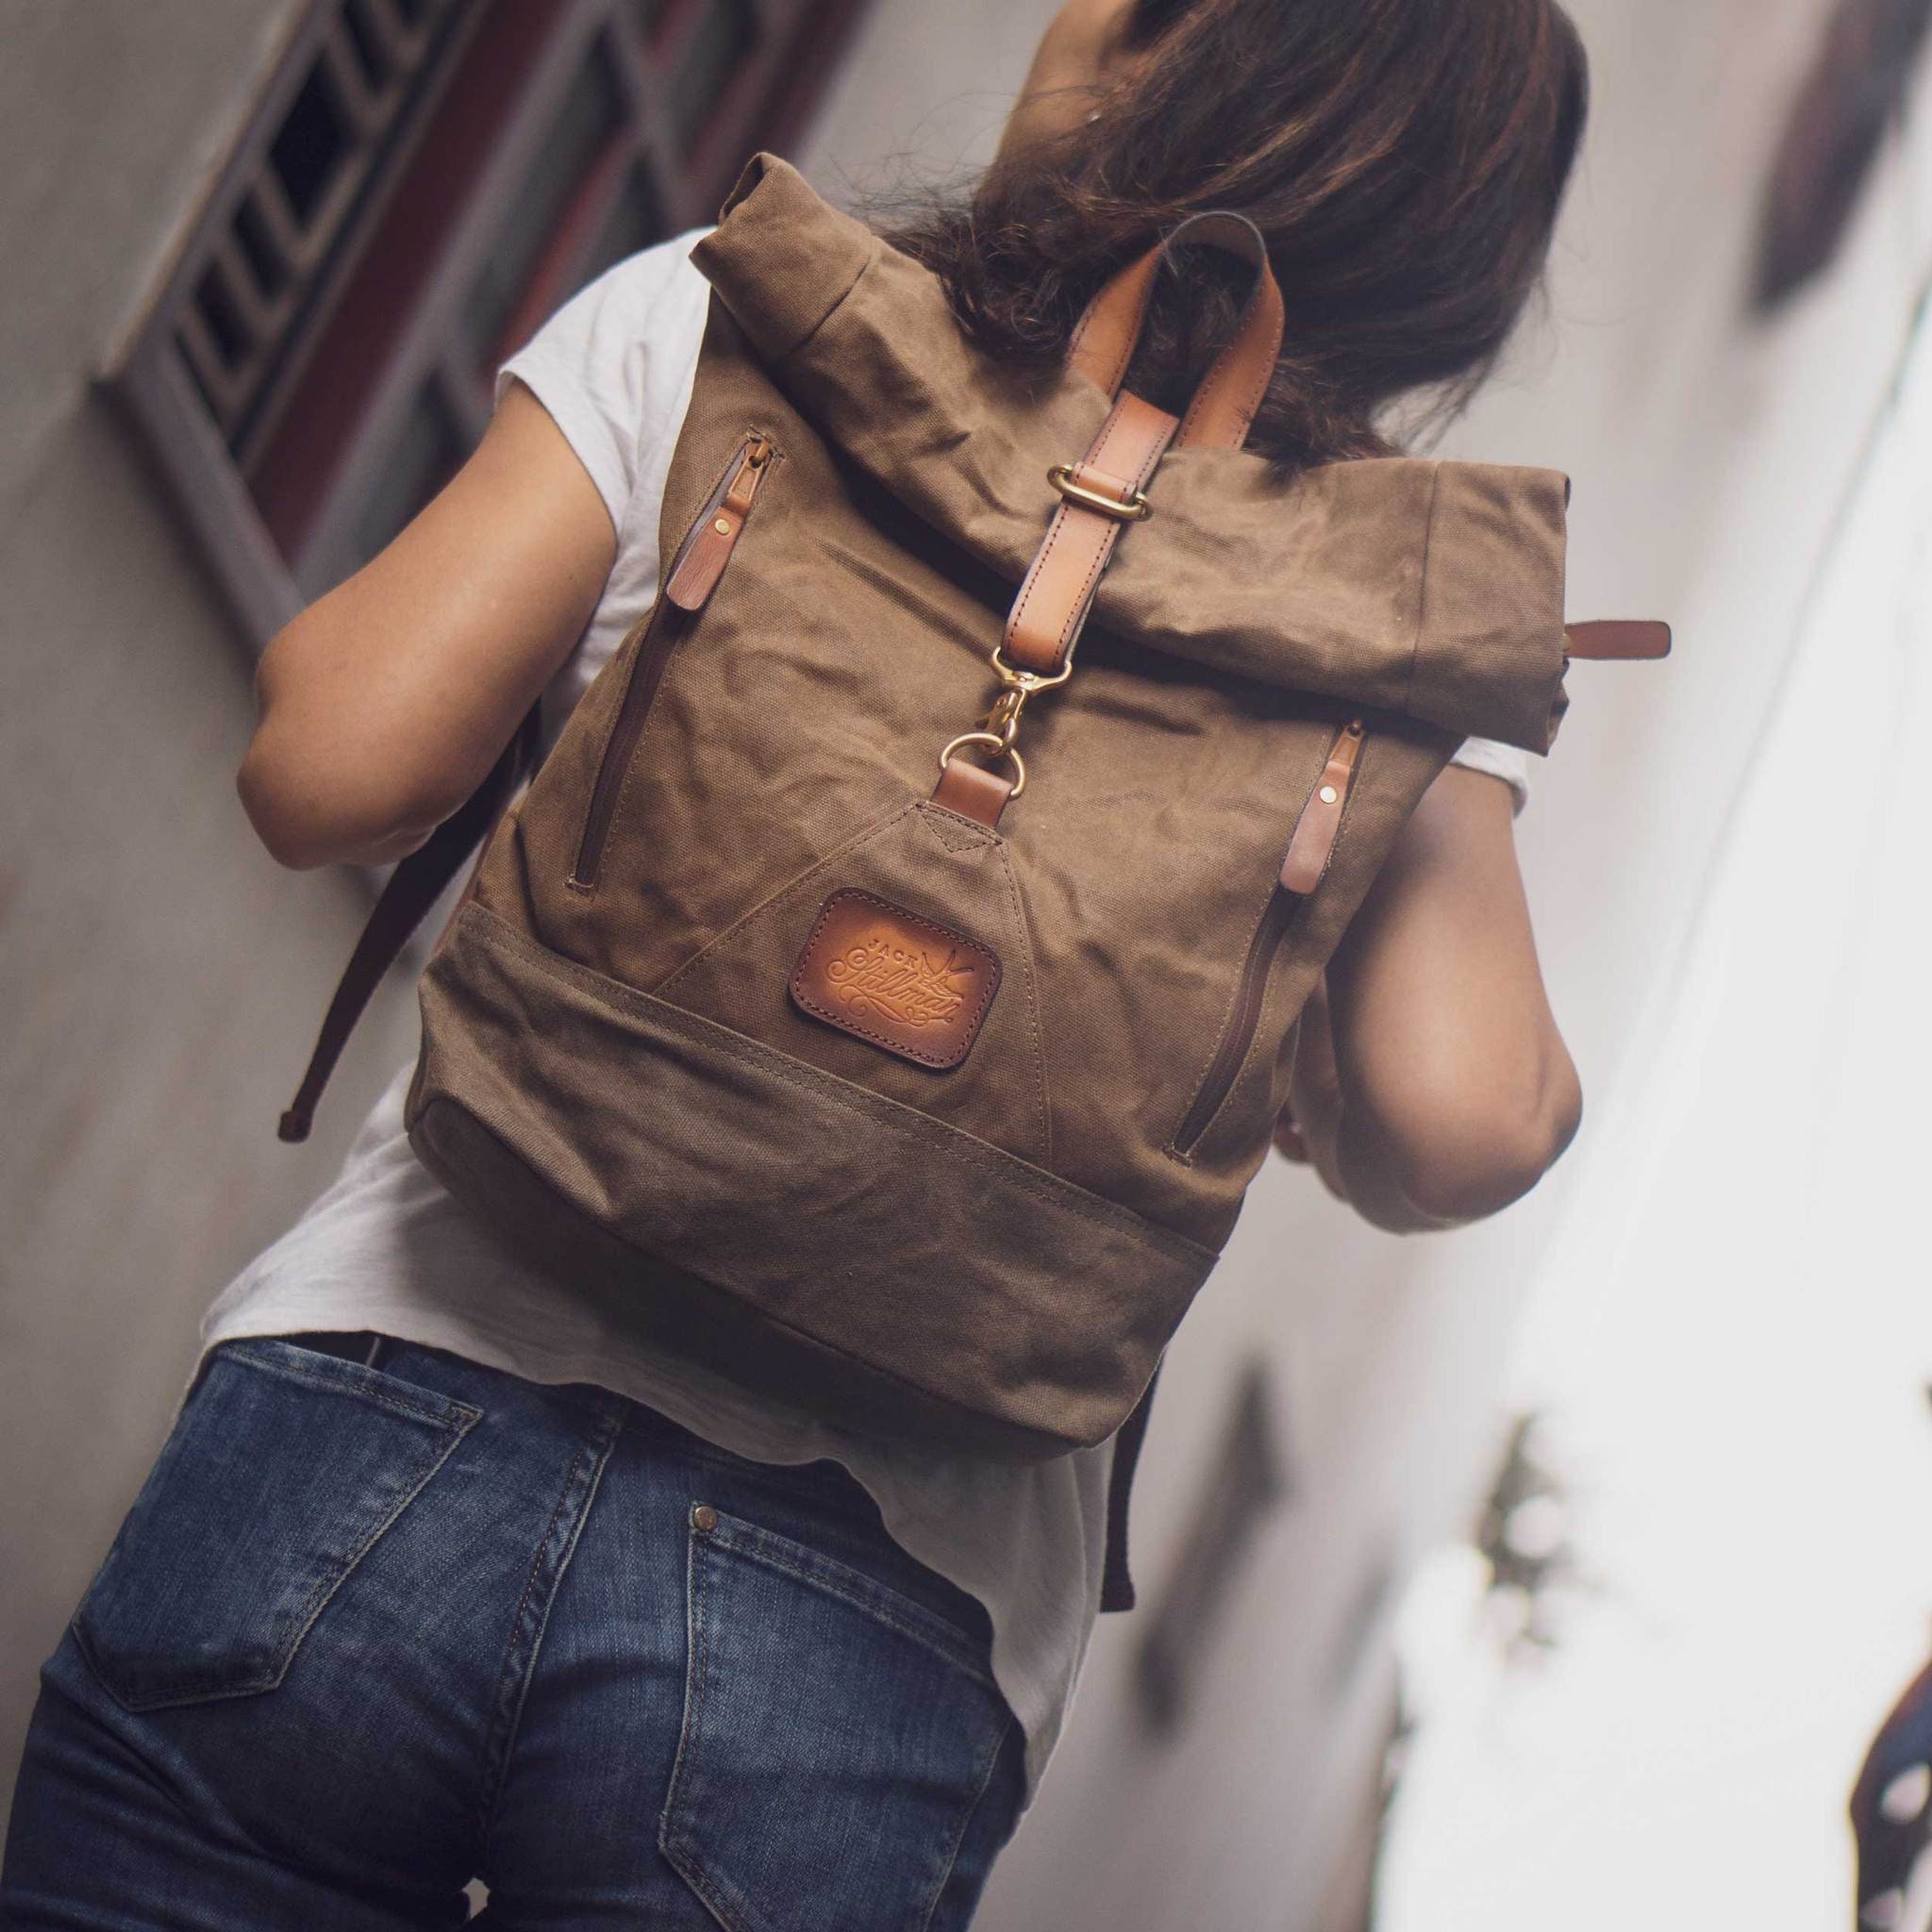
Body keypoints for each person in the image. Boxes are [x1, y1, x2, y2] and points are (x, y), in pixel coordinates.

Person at [2, 0, 1592, 1923]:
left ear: (1145, 51)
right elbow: (1466, 1125)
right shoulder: (1392, 636)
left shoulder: (743, 312)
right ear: (1454, 267)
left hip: (369, 1419)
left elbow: (326, 769)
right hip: (863, 1632)